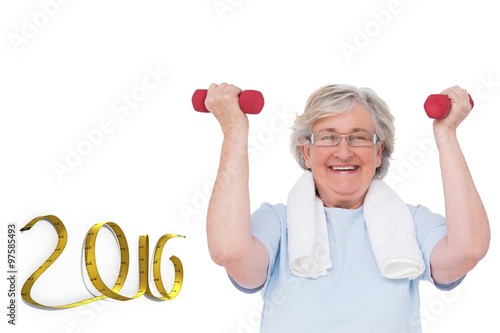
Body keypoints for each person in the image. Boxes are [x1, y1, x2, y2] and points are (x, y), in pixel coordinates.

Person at [204, 82, 490, 332]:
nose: (344, 151)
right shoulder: (279, 222)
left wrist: (446, 133)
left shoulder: (409, 223)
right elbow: (230, 251)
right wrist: (233, 130)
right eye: (328, 137)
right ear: (307, 151)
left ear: (379, 152)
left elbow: (467, 250)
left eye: (359, 137)